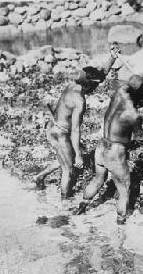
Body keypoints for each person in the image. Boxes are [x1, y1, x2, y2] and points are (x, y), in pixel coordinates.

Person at [75, 66, 143, 224]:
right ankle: (121, 226)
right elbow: (140, 138)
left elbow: (136, 83)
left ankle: (81, 208)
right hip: (115, 153)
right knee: (124, 190)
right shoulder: (134, 115)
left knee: (97, 179)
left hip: (101, 147)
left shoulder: (121, 91)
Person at [33, 44, 121, 198]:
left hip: (52, 127)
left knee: (64, 159)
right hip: (60, 133)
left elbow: (99, 75)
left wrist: (112, 58)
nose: (97, 87)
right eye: (94, 85)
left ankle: (39, 177)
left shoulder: (73, 84)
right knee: (69, 169)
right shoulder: (79, 101)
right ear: (89, 85)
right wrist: (79, 154)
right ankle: (64, 201)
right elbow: (75, 130)